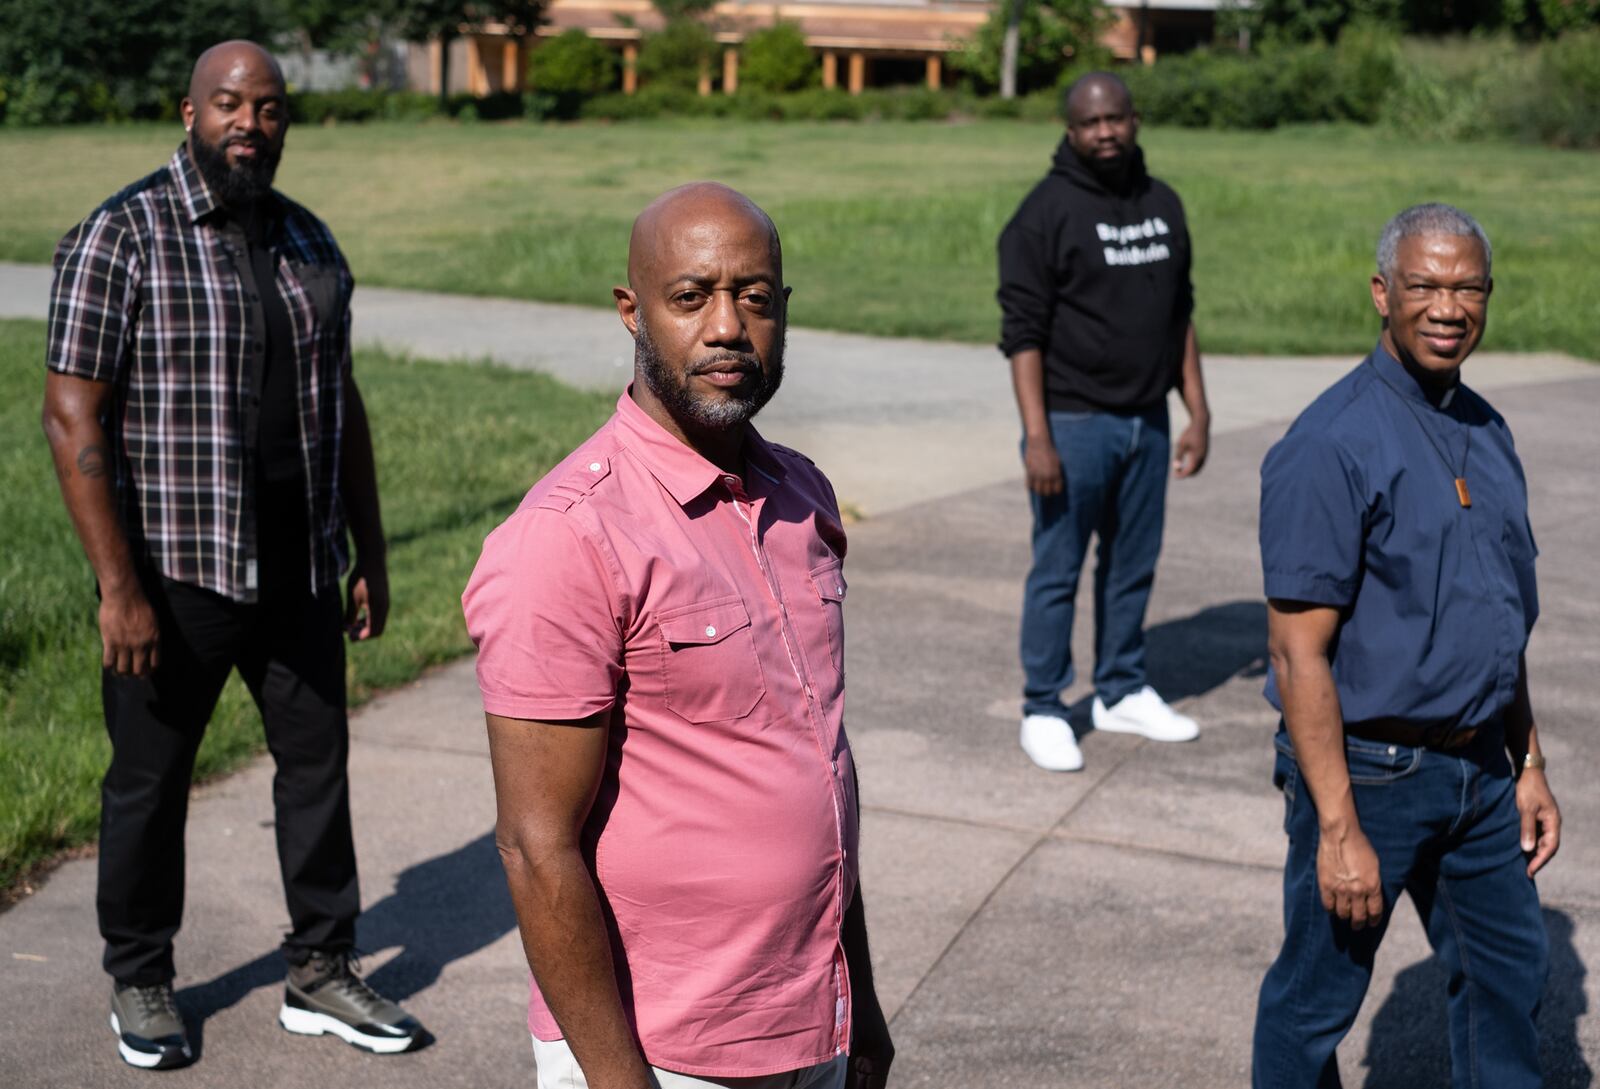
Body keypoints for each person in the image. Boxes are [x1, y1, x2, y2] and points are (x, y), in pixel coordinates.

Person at [41, 40, 424, 1070]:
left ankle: (322, 966)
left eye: (267, 107)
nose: (249, 123)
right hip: (176, 572)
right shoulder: (121, 236)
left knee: (316, 770)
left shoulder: (308, 240)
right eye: (227, 105)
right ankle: (142, 976)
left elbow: (340, 404)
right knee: (149, 782)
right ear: (188, 113)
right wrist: (118, 587)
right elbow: (70, 412)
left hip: (299, 567)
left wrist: (369, 552)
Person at [463, 183, 893, 1089]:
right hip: (661, 1055)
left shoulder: (801, 496)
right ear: (633, 311)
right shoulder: (568, 537)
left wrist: (864, 1008)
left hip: (813, 1021)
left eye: (757, 297)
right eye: (691, 296)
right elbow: (537, 846)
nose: (729, 326)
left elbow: (818, 773)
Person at [1252, 203, 1561, 1088]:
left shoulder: (1489, 430)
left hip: (1482, 772)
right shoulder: (1329, 443)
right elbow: (1296, 654)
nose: (1447, 305)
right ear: (1383, 293)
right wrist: (1339, 827)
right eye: (1424, 284)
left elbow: (1500, 617)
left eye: (1468, 286)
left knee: (1508, 979)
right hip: (1369, 772)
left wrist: (1529, 759)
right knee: (1316, 1002)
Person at [997, 72, 1211, 772]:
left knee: (1132, 565)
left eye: (1116, 118)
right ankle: (1044, 705)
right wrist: (1038, 436)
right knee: (1058, 567)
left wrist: (1196, 409)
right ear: (1070, 129)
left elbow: (1179, 313)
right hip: (1073, 422)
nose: (1106, 132)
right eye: (1091, 123)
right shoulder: (1043, 214)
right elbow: (1022, 334)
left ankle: (1120, 687)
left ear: (1135, 119)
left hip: (1146, 421)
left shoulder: (1163, 203)